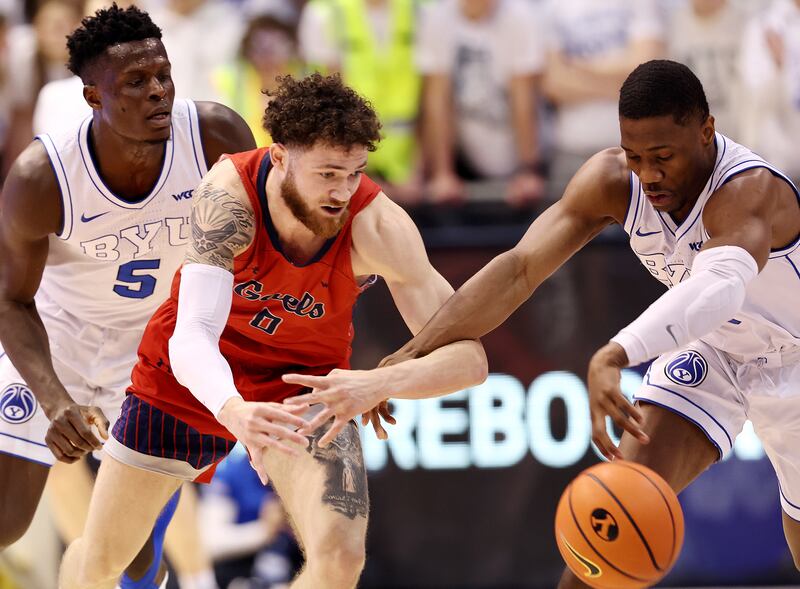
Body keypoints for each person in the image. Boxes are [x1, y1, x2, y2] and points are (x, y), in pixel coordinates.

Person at [297, 59, 800, 587]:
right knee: (613, 523)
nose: (648, 174)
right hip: (715, 352)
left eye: (664, 158)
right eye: (635, 156)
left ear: (706, 132)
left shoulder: (750, 192)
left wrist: (617, 351)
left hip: (791, 361)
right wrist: (411, 354)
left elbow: (716, 291)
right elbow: (519, 269)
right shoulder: (613, 180)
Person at [58, 72, 487, 589]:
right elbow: (193, 335)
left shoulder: (380, 227)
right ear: (280, 156)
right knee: (103, 561)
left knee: (341, 558)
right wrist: (234, 410)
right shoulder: (229, 198)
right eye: (328, 173)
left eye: (354, 174)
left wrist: (377, 383)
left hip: (302, 384)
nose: (342, 192)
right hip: (187, 378)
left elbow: (471, 361)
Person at [0, 4, 255, 588]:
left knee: (131, 557)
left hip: (155, 340)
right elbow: (10, 301)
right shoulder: (42, 176)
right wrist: (55, 397)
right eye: (136, 83)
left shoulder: (215, 134)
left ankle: (161, 554)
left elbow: (260, 235)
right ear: (93, 97)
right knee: (6, 522)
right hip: (58, 334)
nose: (158, 91)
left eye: (163, 74)